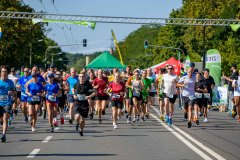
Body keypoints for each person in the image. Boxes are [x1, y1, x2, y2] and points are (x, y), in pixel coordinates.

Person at [72, 72, 96, 136]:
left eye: (83, 76)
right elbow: (73, 89)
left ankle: (81, 130)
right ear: (78, 77)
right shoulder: (76, 84)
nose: (81, 78)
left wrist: (89, 96)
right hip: (78, 103)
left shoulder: (88, 85)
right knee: (77, 117)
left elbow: (95, 92)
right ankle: (77, 123)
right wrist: (74, 95)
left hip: (85, 104)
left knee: (82, 120)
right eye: (80, 76)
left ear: (85, 77)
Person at [0, 66, 15, 142]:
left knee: (5, 117)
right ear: (0, 72)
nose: (4, 73)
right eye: (3, 71)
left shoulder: (10, 82)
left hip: (7, 102)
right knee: (1, 119)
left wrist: (12, 92)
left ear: (7, 73)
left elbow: (14, 91)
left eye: (5, 71)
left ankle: (3, 135)